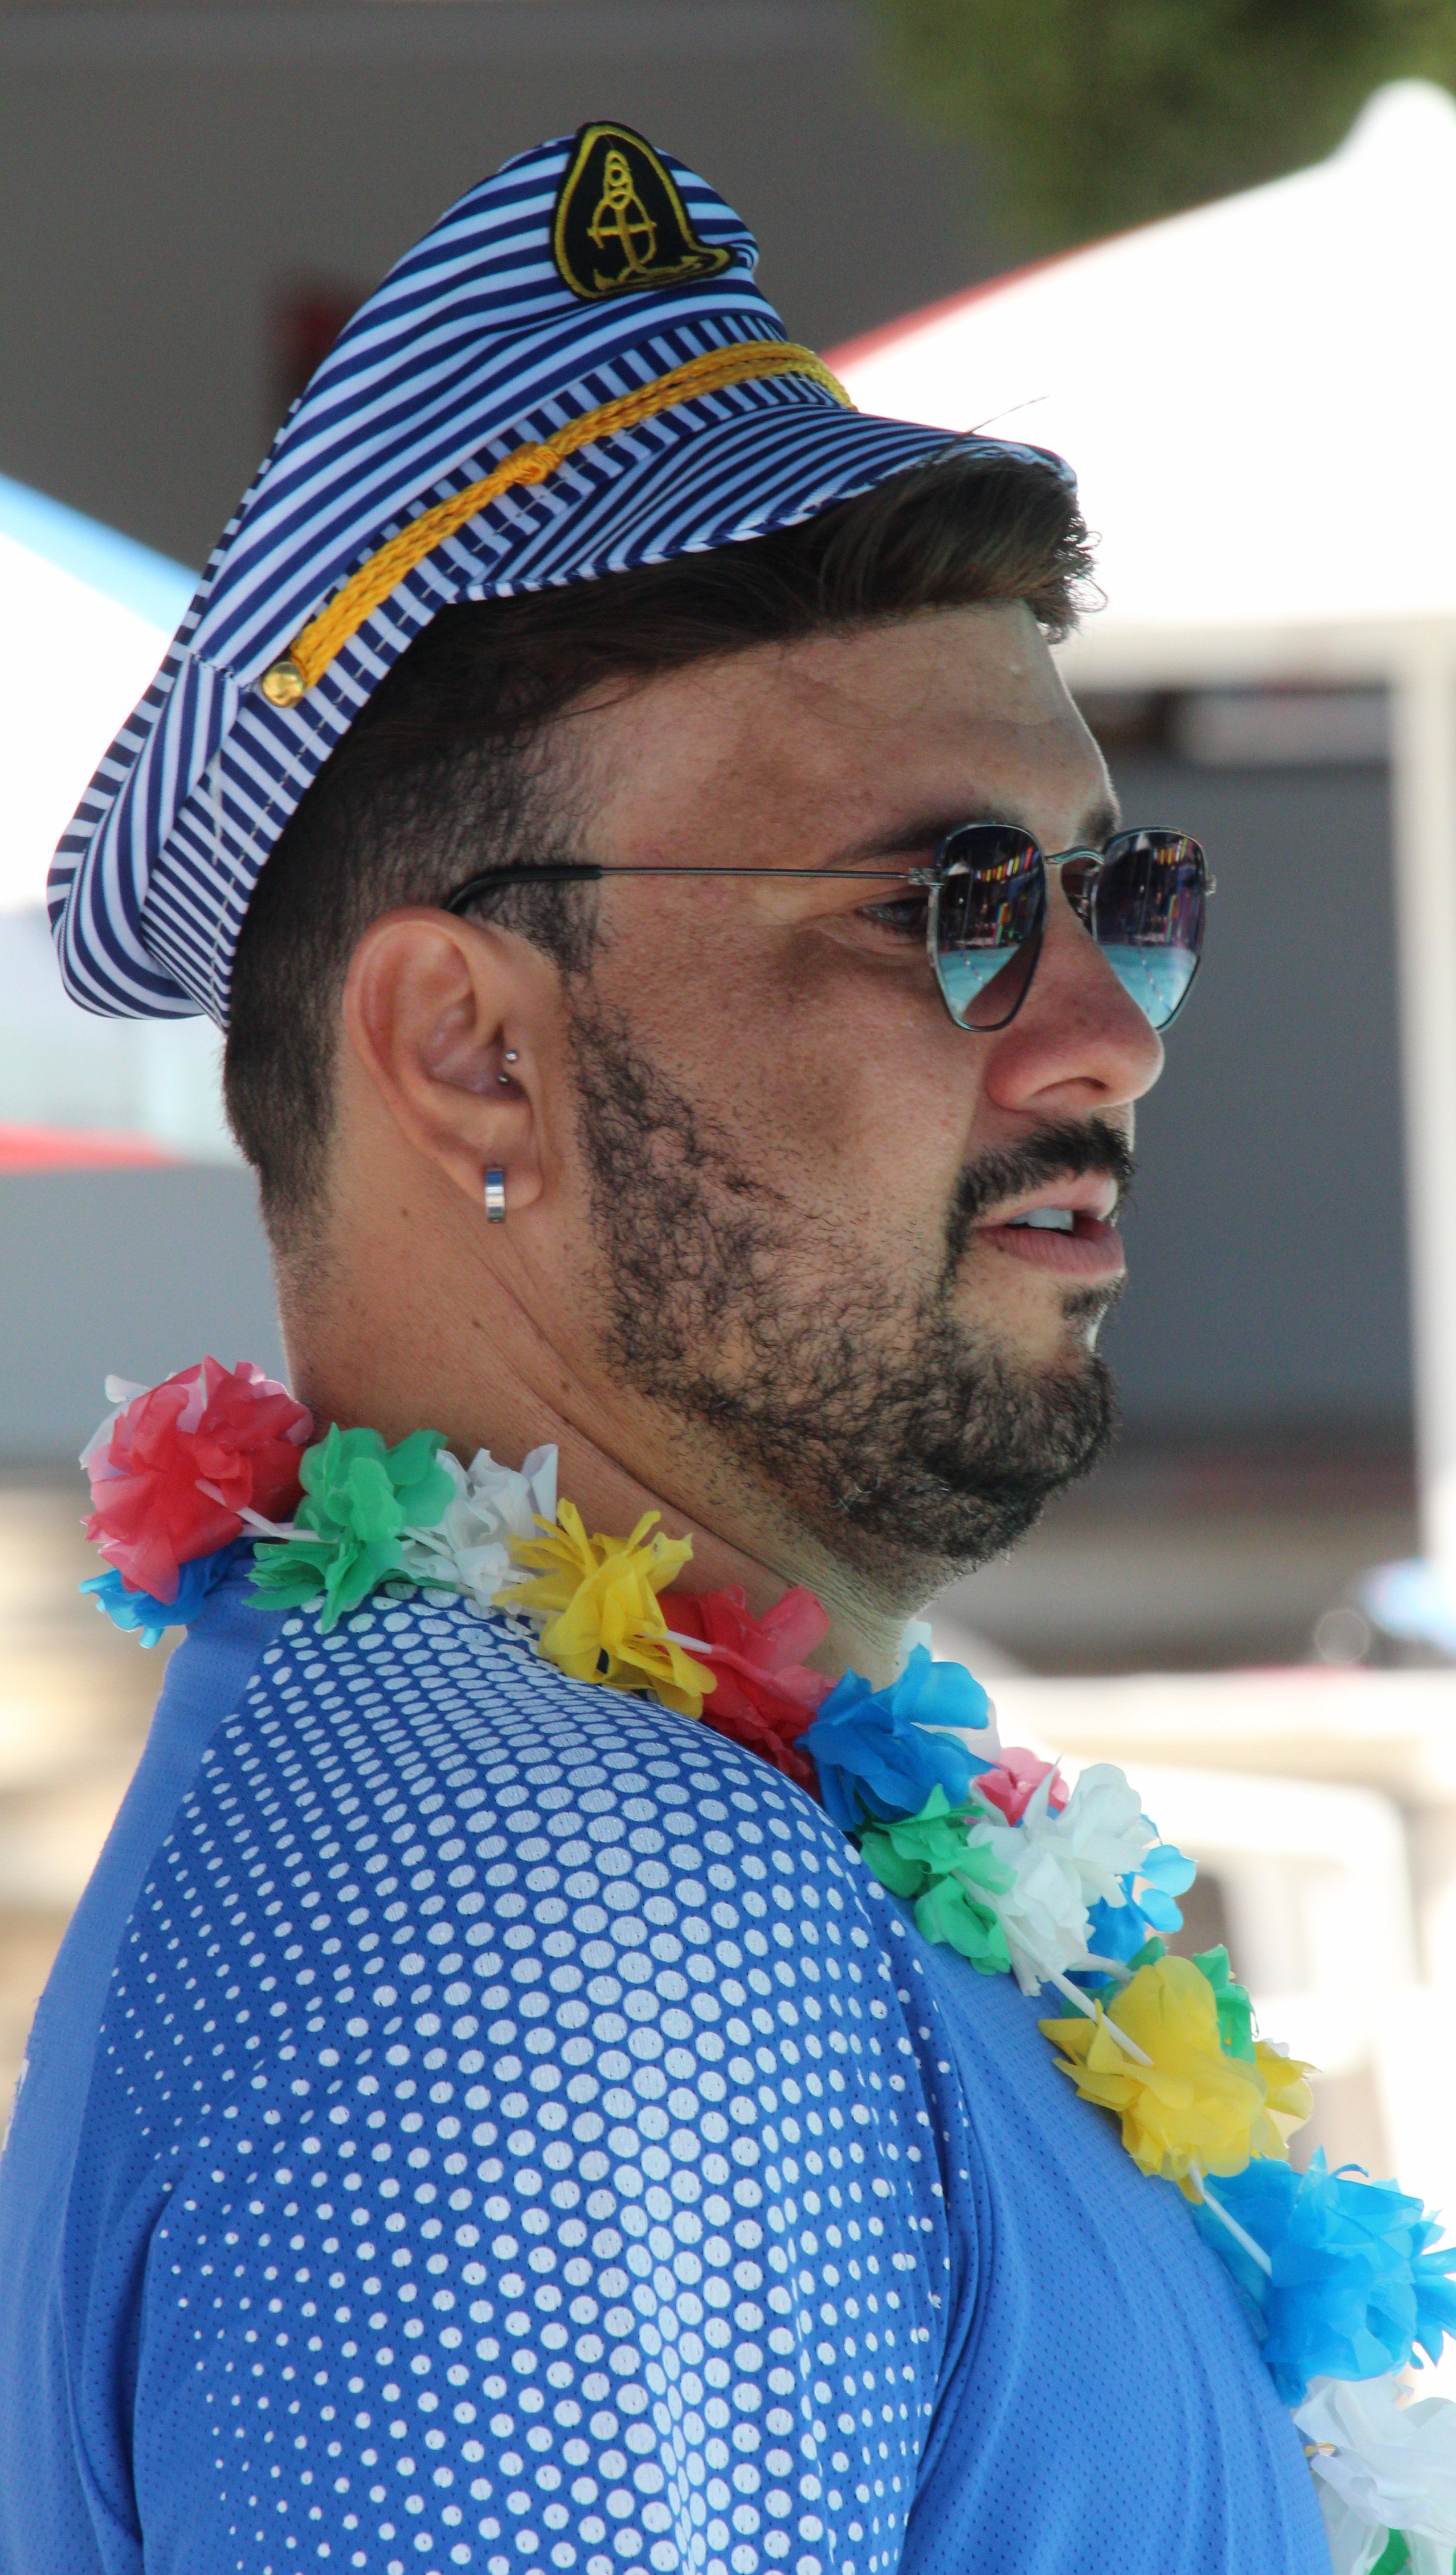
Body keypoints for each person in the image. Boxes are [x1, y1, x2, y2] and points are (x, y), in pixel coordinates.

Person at [0, 124, 1333, 2575]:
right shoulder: (553, 1933)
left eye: (1123, 892)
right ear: (470, 1053)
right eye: (949, 901)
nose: (1108, 1036)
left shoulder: (610, 1830)